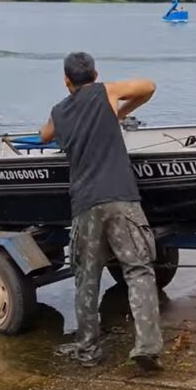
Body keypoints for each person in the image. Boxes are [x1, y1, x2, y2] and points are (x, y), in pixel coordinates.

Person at [40, 52, 162, 370]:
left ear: (66, 81)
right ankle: (147, 347)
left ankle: (88, 351)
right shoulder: (105, 91)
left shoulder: (59, 110)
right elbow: (149, 86)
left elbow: (44, 135)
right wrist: (120, 110)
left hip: (84, 205)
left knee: (86, 279)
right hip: (121, 199)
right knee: (138, 270)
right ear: (96, 74)